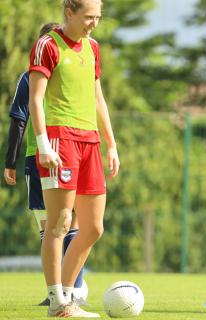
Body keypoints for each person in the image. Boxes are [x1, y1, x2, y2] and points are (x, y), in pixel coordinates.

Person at [28, 0, 119, 317]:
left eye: (98, 17)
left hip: (90, 141)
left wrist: (111, 143)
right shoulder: (47, 45)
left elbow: (98, 97)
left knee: (93, 228)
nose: (94, 23)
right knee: (59, 224)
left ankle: (66, 297)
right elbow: (35, 99)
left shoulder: (93, 48)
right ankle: (57, 301)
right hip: (59, 139)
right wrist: (43, 144)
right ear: (69, 12)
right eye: (89, 16)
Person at [4, 22, 88, 307]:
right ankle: (70, 290)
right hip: (70, 149)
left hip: (40, 154)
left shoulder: (30, 76)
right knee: (70, 222)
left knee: (51, 226)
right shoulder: (71, 69)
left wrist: (9, 162)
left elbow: (18, 118)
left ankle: (63, 291)